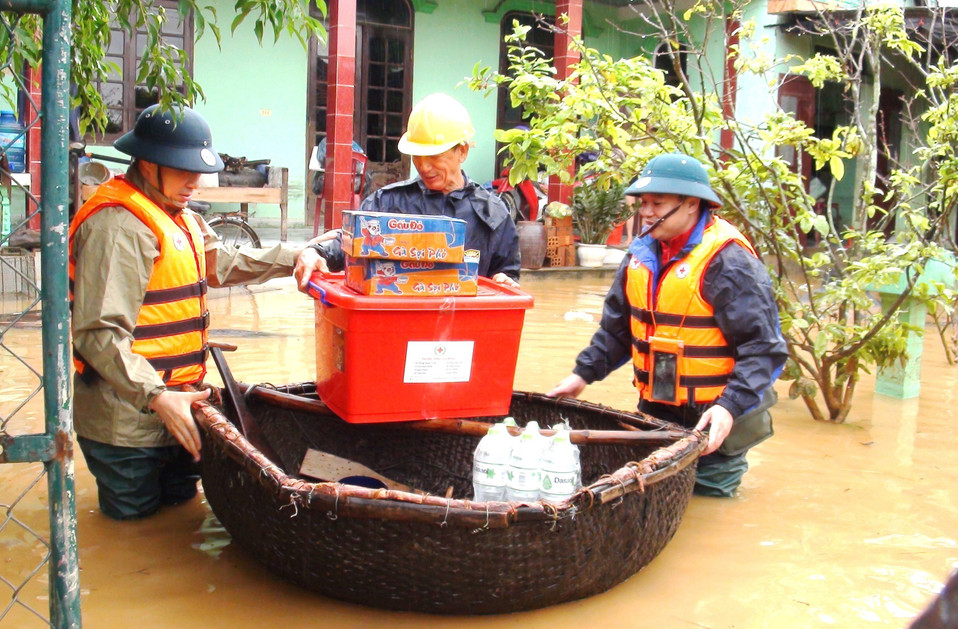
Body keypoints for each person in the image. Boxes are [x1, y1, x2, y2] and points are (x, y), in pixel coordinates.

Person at [69, 104, 325, 520]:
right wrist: (157, 396)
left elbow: (221, 265)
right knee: (133, 535)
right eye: (183, 169)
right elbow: (99, 334)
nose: (195, 181)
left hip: (185, 405)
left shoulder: (178, 213)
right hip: (127, 425)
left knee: (181, 521)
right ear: (149, 165)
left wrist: (298, 255)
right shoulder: (118, 227)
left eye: (198, 170)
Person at [548, 153, 787, 497]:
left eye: (657, 203)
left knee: (707, 502)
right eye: (643, 203)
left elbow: (763, 349)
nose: (646, 212)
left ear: (692, 204)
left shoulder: (728, 261)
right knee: (655, 498)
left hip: (718, 418)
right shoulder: (641, 254)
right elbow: (618, 330)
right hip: (659, 412)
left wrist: (729, 407)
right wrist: (581, 376)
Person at [303, 93, 521, 284]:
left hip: (461, 327)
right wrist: (317, 252)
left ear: (462, 152)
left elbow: (507, 276)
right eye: (418, 155)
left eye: (435, 156)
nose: (424, 167)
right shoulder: (386, 203)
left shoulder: (493, 215)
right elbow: (350, 244)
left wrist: (504, 281)